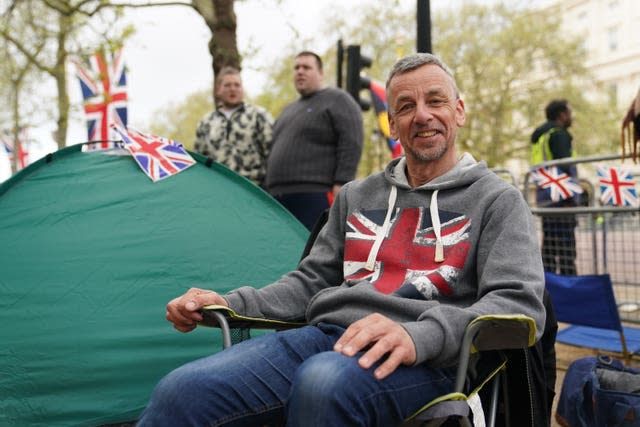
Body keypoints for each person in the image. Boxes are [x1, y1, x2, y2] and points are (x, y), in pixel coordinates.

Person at [138, 53, 547, 427]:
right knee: (181, 391)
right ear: (393, 124)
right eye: (405, 107)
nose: (422, 115)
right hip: (323, 338)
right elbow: (310, 282)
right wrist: (231, 303)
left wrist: (418, 335)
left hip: (428, 359)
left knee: (323, 383)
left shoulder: (497, 199)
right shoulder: (357, 195)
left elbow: (518, 305)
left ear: (459, 111)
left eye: (435, 101)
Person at [265, 51, 363, 230]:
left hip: (314, 195)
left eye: (306, 67)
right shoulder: (288, 110)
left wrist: (342, 183)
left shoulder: (337, 99)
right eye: (296, 68)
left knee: (313, 252)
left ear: (320, 73)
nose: (300, 71)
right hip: (277, 198)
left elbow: (351, 141)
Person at [194, 66, 273, 187]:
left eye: (237, 85)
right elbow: (200, 161)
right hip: (218, 189)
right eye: (227, 85)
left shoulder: (258, 115)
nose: (233, 89)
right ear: (218, 90)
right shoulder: (206, 122)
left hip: (253, 189)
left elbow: (271, 154)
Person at [531, 99, 578, 275]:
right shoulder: (558, 134)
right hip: (561, 196)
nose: (571, 117)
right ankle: (570, 288)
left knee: (549, 245)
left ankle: (549, 288)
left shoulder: (540, 135)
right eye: (569, 112)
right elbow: (565, 166)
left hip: (545, 195)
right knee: (566, 249)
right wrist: (570, 199)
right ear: (561, 115)